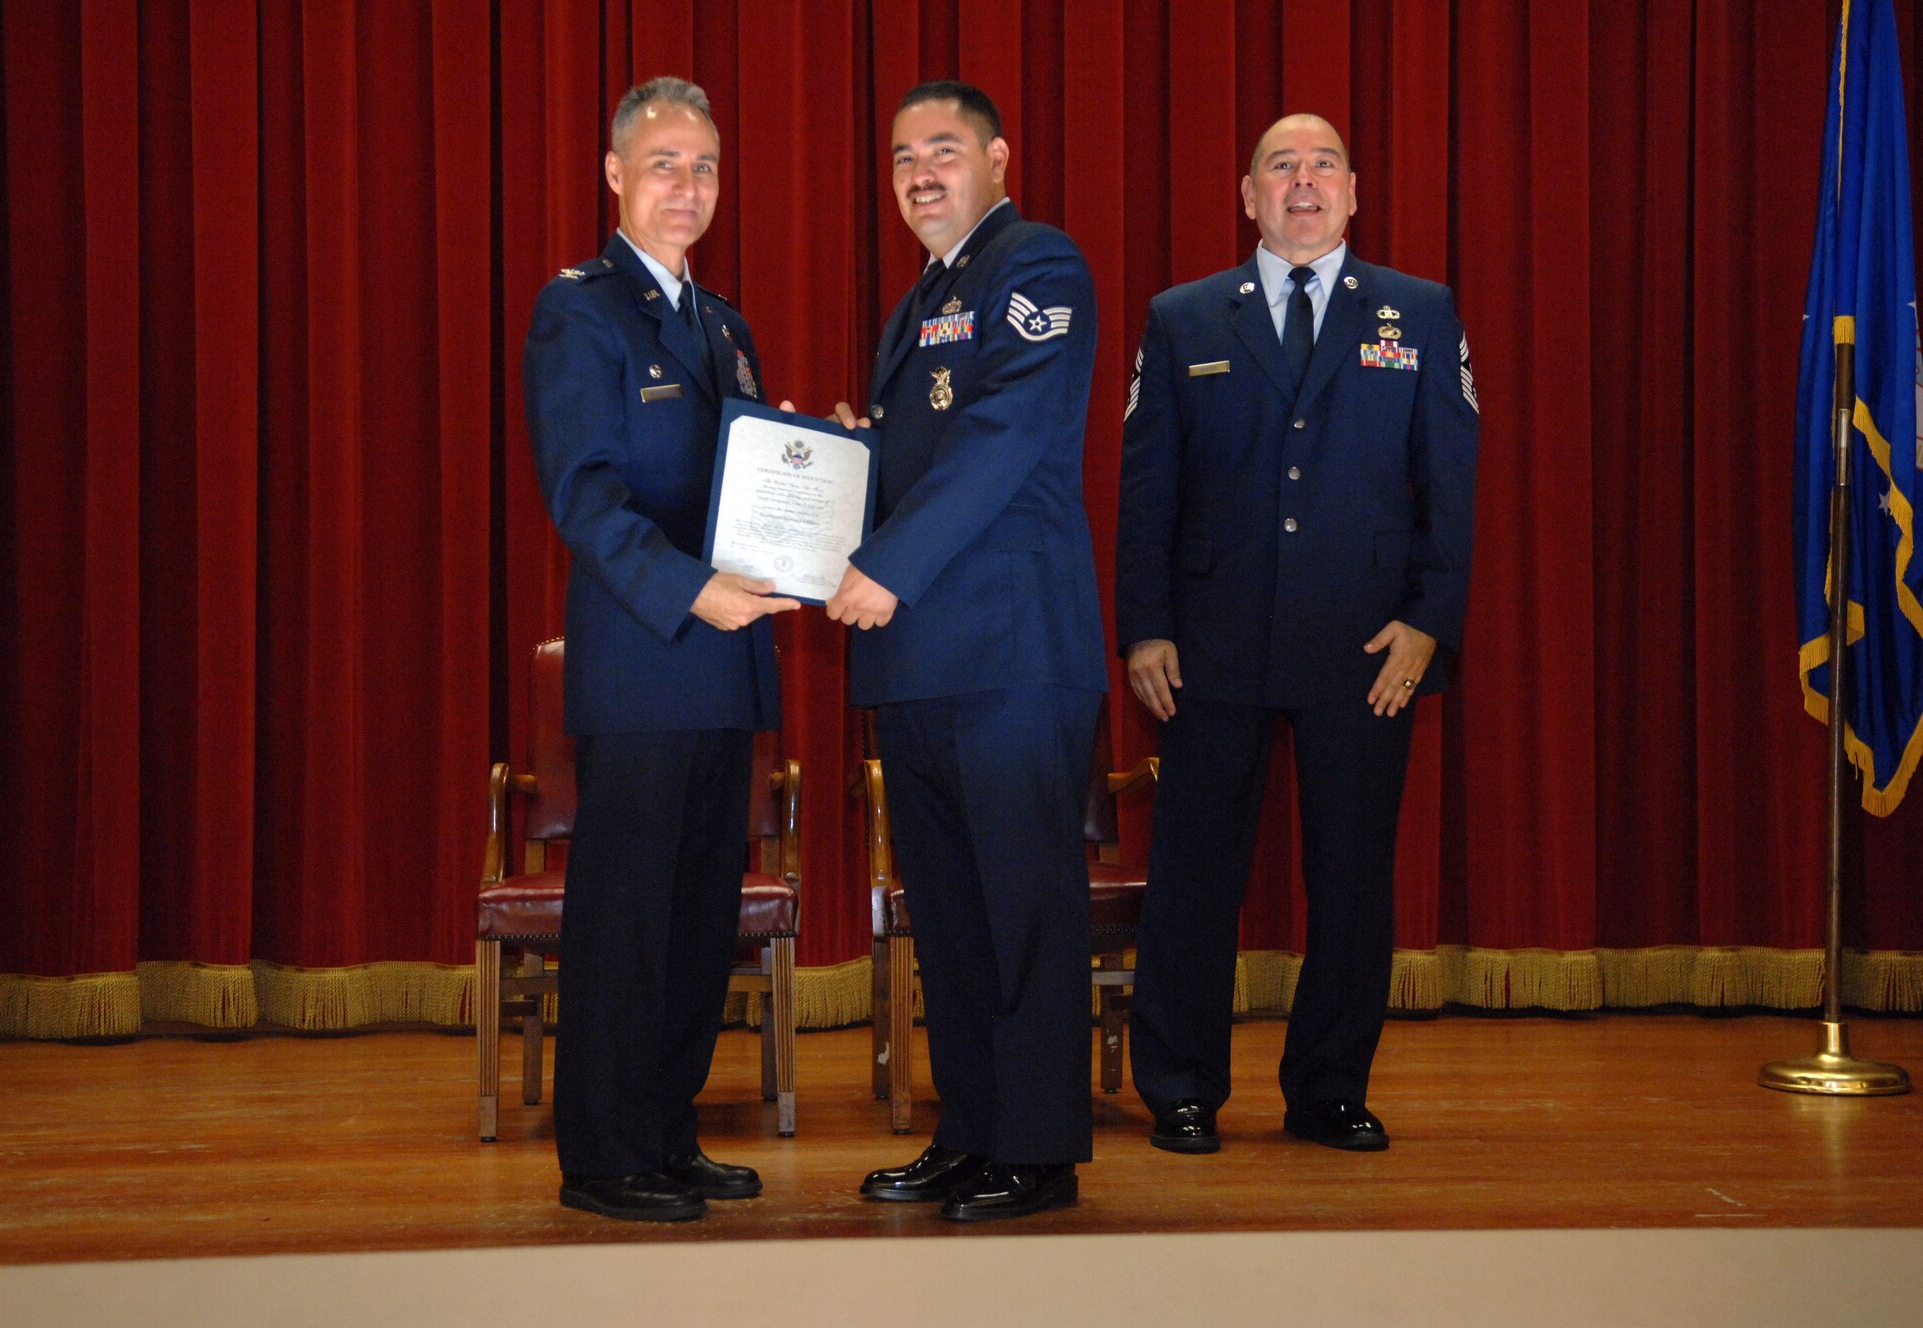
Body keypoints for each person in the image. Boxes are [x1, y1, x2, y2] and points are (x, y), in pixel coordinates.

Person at [1117, 113, 1479, 1155]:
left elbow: (1451, 484)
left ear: (1354, 192)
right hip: (1209, 643)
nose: (1304, 182)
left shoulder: (1418, 311)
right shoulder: (1183, 317)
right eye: (1282, 166)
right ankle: (1181, 1086)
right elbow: (1146, 490)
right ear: (1249, 195)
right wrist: (1144, 627)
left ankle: (1328, 1089)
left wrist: (1427, 622)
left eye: (1324, 166)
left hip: (1363, 647)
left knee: (1352, 878)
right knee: (1194, 876)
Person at [797, 80, 1106, 1221]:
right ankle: (972, 1130)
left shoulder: (1038, 265)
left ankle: (1037, 1149)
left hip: (1011, 651)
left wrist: (887, 561)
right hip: (922, 659)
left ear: (997, 158)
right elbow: (929, 445)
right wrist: (851, 457)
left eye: (942, 149)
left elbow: (1004, 433)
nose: (919, 173)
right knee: (955, 921)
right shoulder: (921, 297)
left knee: (1024, 914)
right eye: (901, 157)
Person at [521, 76, 797, 1222]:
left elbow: (752, 481)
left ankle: (666, 1132)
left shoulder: (723, 324)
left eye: (705, 167)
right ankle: (603, 1153)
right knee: (626, 921)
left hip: (724, 668)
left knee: (694, 923)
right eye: (664, 164)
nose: (688, 186)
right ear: (615, 176)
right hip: (644, 659)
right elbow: (583, 496)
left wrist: (821, 477)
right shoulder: (579, 310)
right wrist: (693, 590)